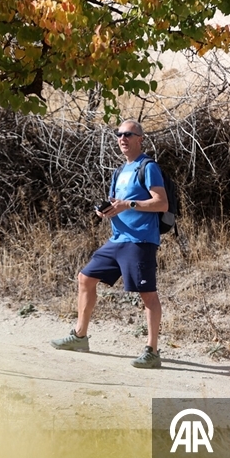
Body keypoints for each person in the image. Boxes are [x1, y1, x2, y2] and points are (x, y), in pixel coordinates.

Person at [50, 119, 167, 368]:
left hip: (140, 240)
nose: (122, 138)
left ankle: (152, 351)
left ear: (140, 139)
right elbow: (115, 202)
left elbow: (161, 203)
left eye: (128, 134)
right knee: (85, 278)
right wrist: (104, 210)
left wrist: (129, 204)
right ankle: (80, 336)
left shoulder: (148, 167)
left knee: (147, 294)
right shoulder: (119, 171)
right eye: (119, 134)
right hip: (117, 240)